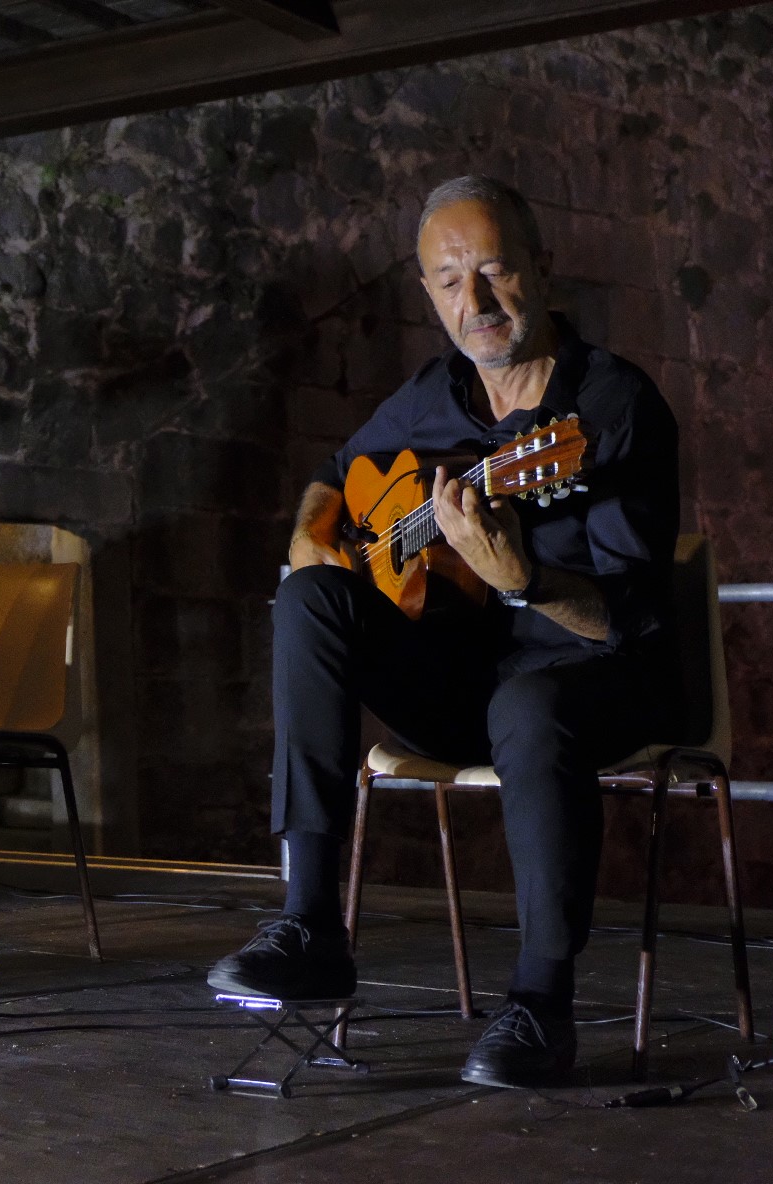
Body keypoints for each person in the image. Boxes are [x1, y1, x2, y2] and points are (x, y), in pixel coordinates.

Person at [206, 177, 681, 1089]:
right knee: (310, 599)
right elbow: (334, 473)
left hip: (596, 679)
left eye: (496, 272)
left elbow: (630, 616)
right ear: (429, 294)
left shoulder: (611, 409)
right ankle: (310, 923)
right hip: (466, 684)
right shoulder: (435, 395)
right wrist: (313, 533)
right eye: (451, 281)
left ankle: (541, 1007)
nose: (479, 303)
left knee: (533, 701)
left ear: (539, 271)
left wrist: (526, 579)